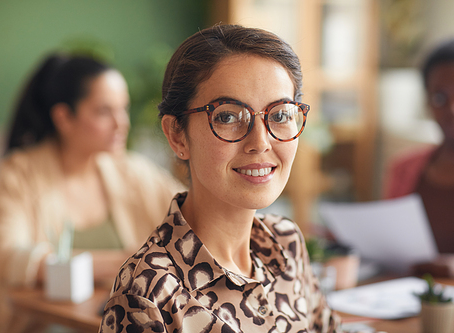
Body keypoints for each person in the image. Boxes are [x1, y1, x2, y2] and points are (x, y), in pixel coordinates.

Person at [99, 24, 342, 333]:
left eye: (280, 115)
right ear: (178, 136)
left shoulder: (286, 242)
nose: (261, 142)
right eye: (228, 116)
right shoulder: (150, 291)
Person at [0, 54, 185, 332]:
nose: (122, 123)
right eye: (104, 111)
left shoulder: (132, 172)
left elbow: (193, 212)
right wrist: (122, 263)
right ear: (64, 117)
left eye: (124, 108)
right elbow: (8, 257)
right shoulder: (18, 175)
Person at [384, 38, 454, 278]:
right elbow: (389, 248)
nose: (453, 109)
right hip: (404, 301)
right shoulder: (403, 169)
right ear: (427, 100)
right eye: (440, 97)